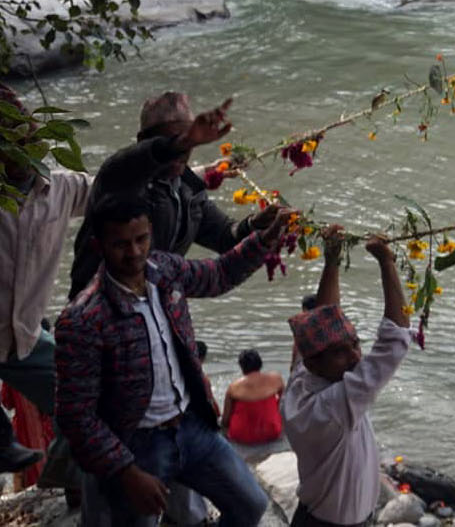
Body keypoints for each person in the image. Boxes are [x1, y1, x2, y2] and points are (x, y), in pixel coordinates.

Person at [56, 194, 294, 527]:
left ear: (150, 231)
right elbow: (75, 415)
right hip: (136, 446)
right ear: (99, 245)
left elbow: (220, 274)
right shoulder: (83, 318)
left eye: (141, 239)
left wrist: (265, 239)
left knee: (251, 505)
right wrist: (126, 471)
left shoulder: (165, 271)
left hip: (191, 426)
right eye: (121, 244)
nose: (135, 252)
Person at [283, 227, 414, 527]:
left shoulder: (302, 379)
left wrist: (332, 260)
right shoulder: (333, 405)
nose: (356, 357)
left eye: (355, 343)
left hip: (313, 516)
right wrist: (386, 262)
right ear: (317, 363)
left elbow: (328, 313)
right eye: (341, 353)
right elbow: (395, 341)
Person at [69, 94, 248, 300]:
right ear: (141, 142)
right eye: (174, 141)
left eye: (189, 142)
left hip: (153, 307)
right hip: (98, 311)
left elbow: (227, 237)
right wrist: (182, 142)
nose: (181, 151)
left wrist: (259, 225)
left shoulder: (187, 189)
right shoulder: (118, 179)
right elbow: (139, 157)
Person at [0, 85, 92, 475]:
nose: (26, 140)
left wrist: (197, 176)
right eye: (12, 134)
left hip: (22, 336)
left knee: (87, 393)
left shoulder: (61, 188)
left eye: (28, 130)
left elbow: (119, 186)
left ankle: (64, 474)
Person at [220, 351, 283, 451]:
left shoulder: (234, 387)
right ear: (260, 363)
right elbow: (284, 404)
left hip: (241, 436)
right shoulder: (276, 379)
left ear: (242, 367)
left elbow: (225, 420)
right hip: (272, 432)